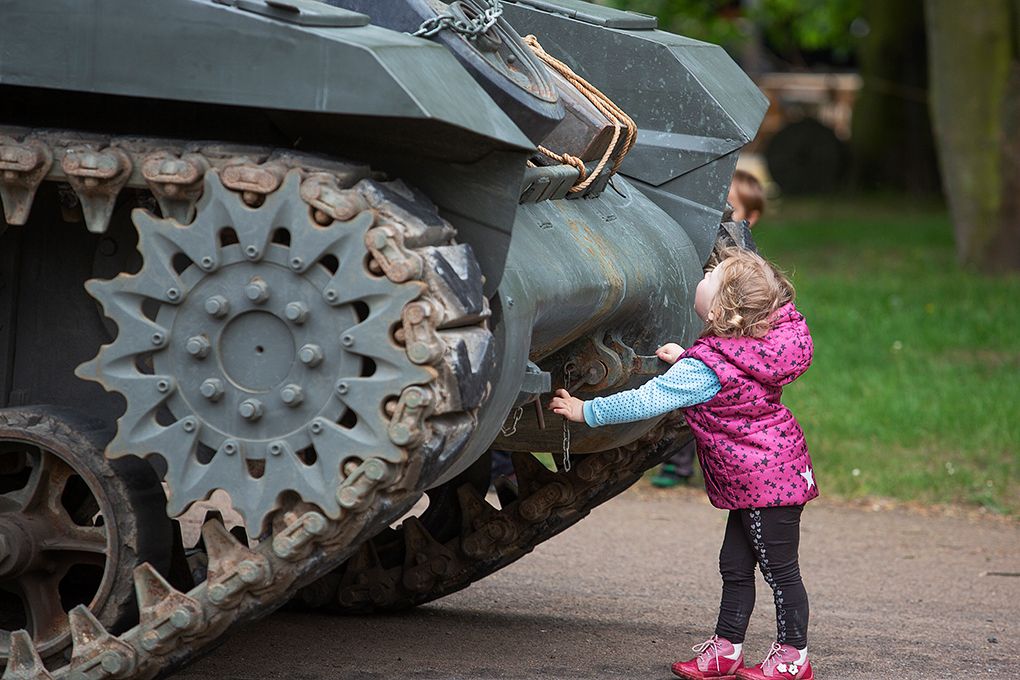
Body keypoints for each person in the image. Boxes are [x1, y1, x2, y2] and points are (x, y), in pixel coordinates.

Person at [550, 248, 818, 680]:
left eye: (713, 275)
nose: (706, 273)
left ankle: (794, 655)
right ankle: (727, 649)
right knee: (736, 564)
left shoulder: (706, 371)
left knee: (780, 571)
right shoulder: (752, 347)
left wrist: (587, 412)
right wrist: (687, 361)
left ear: (719, 308)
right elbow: (727, 370)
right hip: (771, 472)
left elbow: (648, 399)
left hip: (767, 480)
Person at [651, 169, 766, 489]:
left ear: (750, 218)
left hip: (720, 344)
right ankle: (680, 464)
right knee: (691, 396)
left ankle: (718, 465)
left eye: (730, 206)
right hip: (699, 339)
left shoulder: (745, 269)